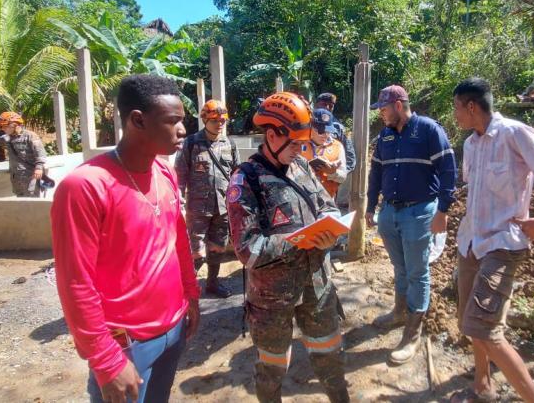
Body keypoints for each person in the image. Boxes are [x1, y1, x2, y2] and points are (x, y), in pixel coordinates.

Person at [51, 74, 200, 403]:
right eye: (172, 121)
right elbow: (75, 281)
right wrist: (105, 360)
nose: (182, 130)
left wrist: (190, 295)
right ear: (138, 120)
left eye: (183, 121)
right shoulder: (85, 186)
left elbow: (176, 242)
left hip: (173, 329)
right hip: (127, 343)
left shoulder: (164, 173)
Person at [451, 78, 534, 403]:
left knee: (483, 326)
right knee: (468, 320)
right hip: (471, 242)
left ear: (471, 107)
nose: (455, 116)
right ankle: (482, 387)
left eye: (456, 109)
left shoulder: (514, 134)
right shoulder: (471, 144)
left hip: (503, 244)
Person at [227, 92, 349, 403]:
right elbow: (247, 250)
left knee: (331, 360)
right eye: (294, 144)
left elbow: (326, 206)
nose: (299, 151)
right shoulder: (246, 180)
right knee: (272, 370)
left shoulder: (302, 167)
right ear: (271, 135)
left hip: (317, 289)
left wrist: (330, 229)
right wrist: (299, 242)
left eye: (302, 144)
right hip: (272, 302)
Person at [365, 84, 457, 365]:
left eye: (383, 107)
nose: (380, 113)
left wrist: (443, 210)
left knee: (418, 273)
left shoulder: (428, 130)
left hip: (420, 212)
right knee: (400, 267)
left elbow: (449, 170)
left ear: (399, 104)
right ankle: (399, 312)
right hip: (390, 212)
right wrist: (371, 206)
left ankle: (412, 336)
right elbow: (377, 172)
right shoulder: (385, 136)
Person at [175, 99, 239, 298]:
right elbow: (180, 174)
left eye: (222, 120)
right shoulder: (192, 143)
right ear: (205, 120)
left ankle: (212, 284)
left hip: (222, 207)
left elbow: (237, 175)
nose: (220, 123)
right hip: (198, 208)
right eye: (215, 120)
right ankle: (187, 289)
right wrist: (179, 201)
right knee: (197, 252)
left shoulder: (229, 144)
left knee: (218, 248)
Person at [0, 111, 47, 197]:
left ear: (14, 125)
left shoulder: (30, 136)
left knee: (32, 202)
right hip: (16, 177)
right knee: (20, 201)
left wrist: (39, 168)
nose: (3, 129)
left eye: (5, 126)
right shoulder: (8, 137)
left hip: (31, 176)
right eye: (1, 127)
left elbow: (40, 153)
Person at [300, 108, 347, 199]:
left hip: (327, 201)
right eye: (321, 131)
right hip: (303, 199)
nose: (326, 135)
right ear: (311, 127)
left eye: (328, 131)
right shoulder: (299, 143)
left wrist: (333, 173)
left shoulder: (338, 146)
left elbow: (343, 177)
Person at [315, 93, 356, 173]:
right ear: (316, 105)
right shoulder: (306, 123)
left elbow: (350, 157)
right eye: (324, 104)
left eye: (330, 106)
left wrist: (337, 174)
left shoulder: (340, 128)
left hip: (330, 180)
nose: (327, 108)